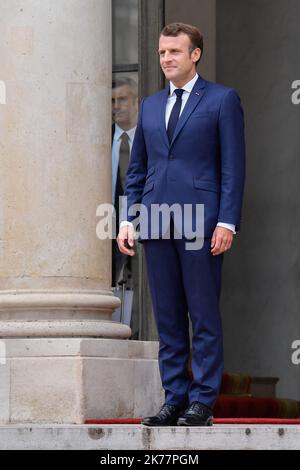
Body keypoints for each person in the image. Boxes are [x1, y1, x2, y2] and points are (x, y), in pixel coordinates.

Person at [117, 22, 246, 426]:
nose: (166, 59)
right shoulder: (151, 106)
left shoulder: (223, 100)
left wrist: (227, 221)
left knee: (203, 315)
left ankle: (202, 401)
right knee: (168, 318)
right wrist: (128, 219)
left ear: (195, 55)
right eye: (161, 53)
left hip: (201, 223)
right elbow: (137, 169)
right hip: (155, 222)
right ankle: (174, 398)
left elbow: (233, 168)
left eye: (174, 51)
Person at [111, 77, 138, 288]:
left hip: (147, 219)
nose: (116, 106)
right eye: (112, 101)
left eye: (122, 99)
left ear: (136, 102)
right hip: (105, 221)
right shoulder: (101, 136)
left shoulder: (149, 135)